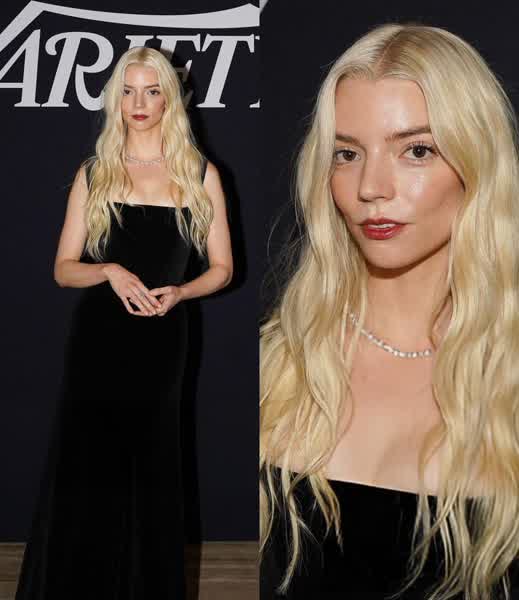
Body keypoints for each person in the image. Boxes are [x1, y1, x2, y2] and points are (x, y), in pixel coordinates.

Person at [260, 23, 519, 600]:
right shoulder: (277, 368)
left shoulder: (508, 376)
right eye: (347, 154)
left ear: (477, 163)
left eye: (416, 150)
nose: (371, 187)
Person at [15, 46, 233, 600]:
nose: (140, 102)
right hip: (97, 342)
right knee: (88, 463)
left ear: (169, 100)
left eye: (152, 91)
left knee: (151, 464)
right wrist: (108, 270)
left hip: (163, 339)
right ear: (116, 98)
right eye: (129, 91)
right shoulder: (95, 173)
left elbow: (224, 269)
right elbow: (63, 269)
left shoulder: (199, 173)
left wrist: (181, 291)